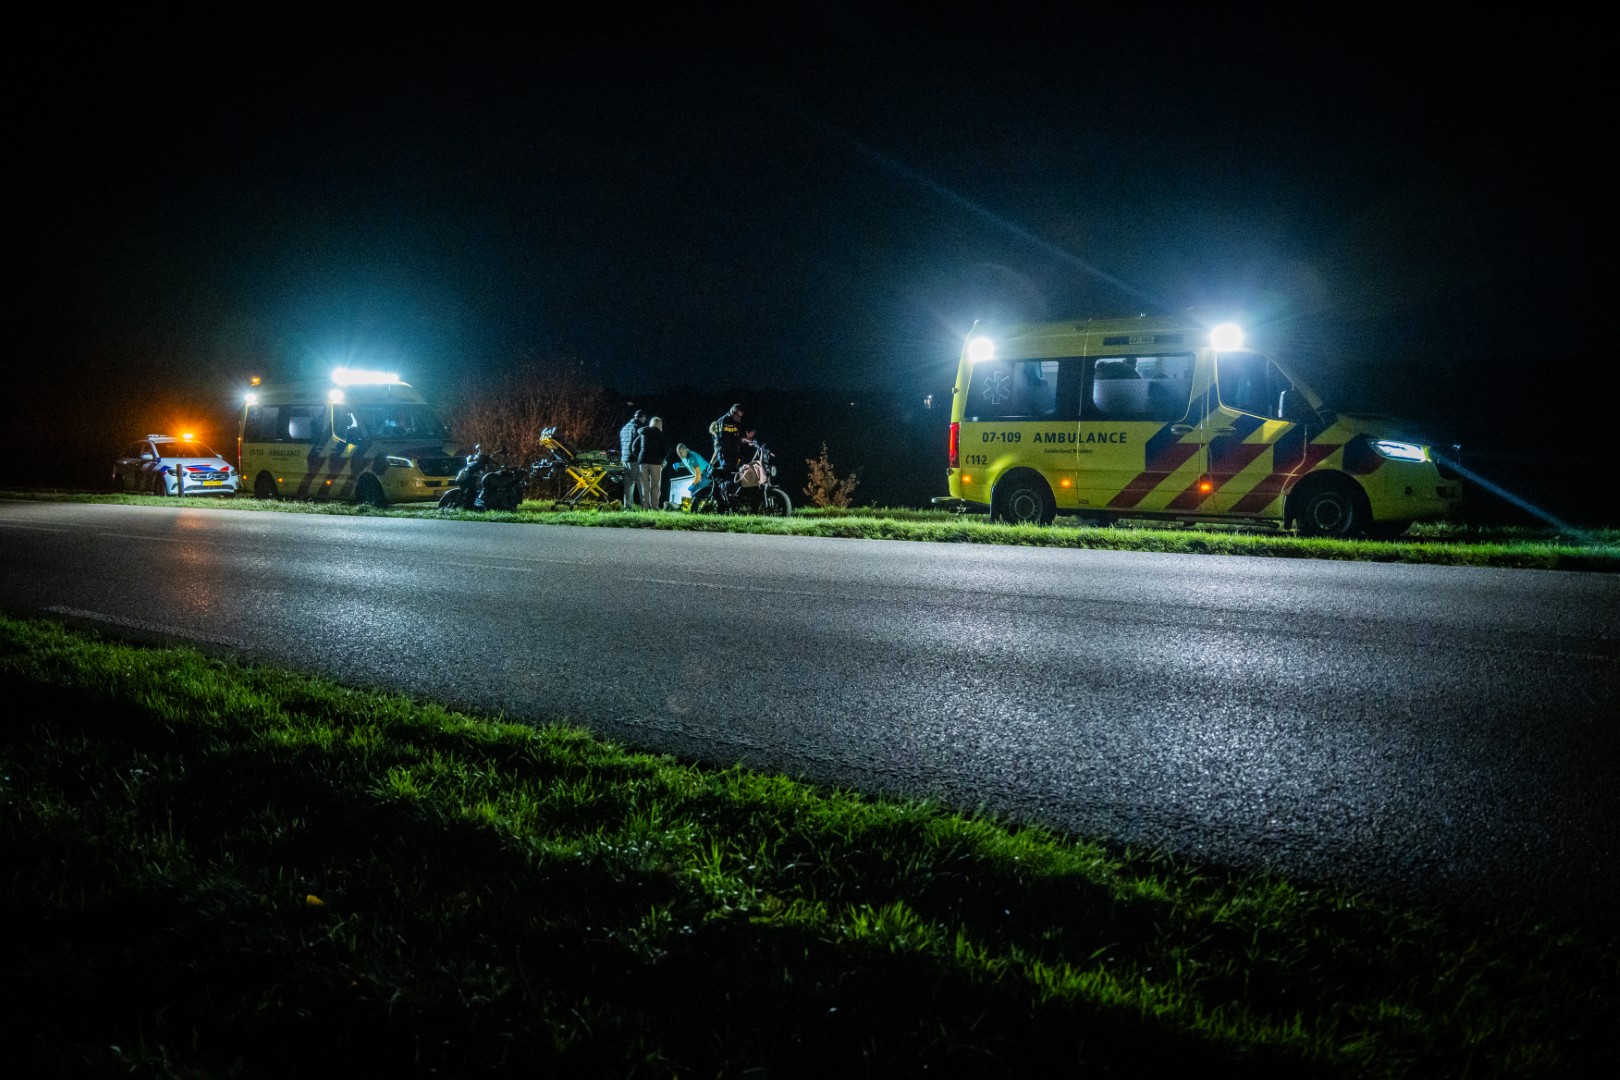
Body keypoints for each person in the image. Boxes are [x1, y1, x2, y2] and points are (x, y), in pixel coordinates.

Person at [629, 415, 668, 510]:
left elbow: (634, 447)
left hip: (643, 462)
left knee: (644, 486)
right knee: (655, 485)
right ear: (659, 424)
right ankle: (655, 507)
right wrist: (661, 459)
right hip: (655, 462)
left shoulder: (643, 433)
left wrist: (640, 456)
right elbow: (665, 449)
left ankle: (645, 507)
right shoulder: (659, 434)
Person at [618, 409, 646, 508]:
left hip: (625, 459)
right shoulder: (639, 428)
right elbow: (638, 445)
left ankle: (627, 507)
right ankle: (645, 507)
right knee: (641, 483)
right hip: (634, 459)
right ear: (642, 418)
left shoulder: (624, 428)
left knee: (628, 483)